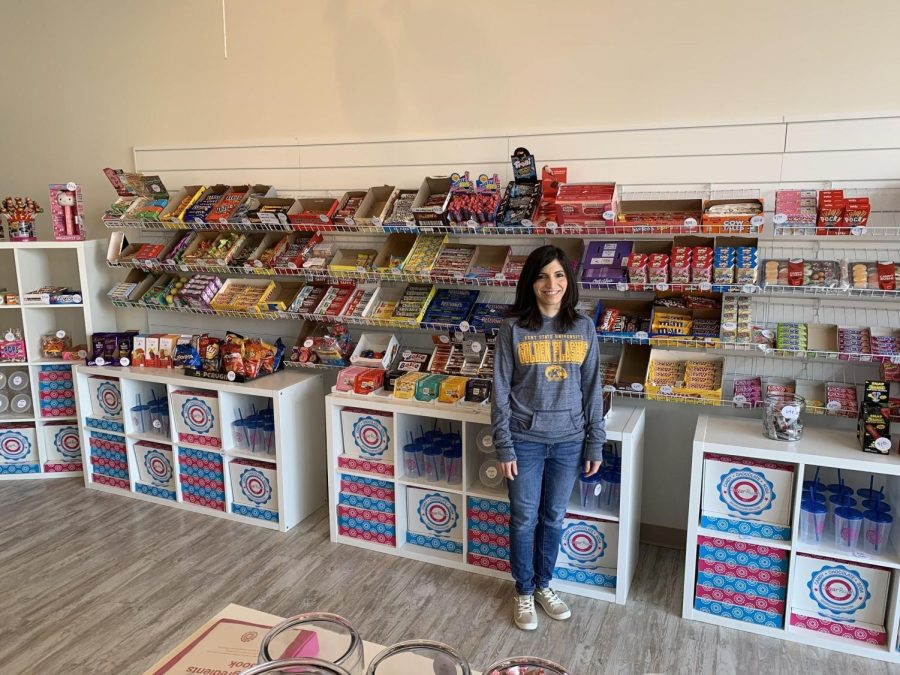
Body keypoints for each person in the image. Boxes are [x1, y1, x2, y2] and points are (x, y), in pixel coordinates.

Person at [491, 244, 605, 630]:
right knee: (524, 518)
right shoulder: (513, 327)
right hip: (524, 439)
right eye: (542, 276)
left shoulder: (584, 326)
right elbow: (500, 389)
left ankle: (544, 585)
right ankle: (523, 591)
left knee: (554, 517)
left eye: (558, 275)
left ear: (568, 281)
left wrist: (594, 442)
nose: (551, 283)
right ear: (531, 282)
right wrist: (503, 443)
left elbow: (593, 388)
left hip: (570, 440)